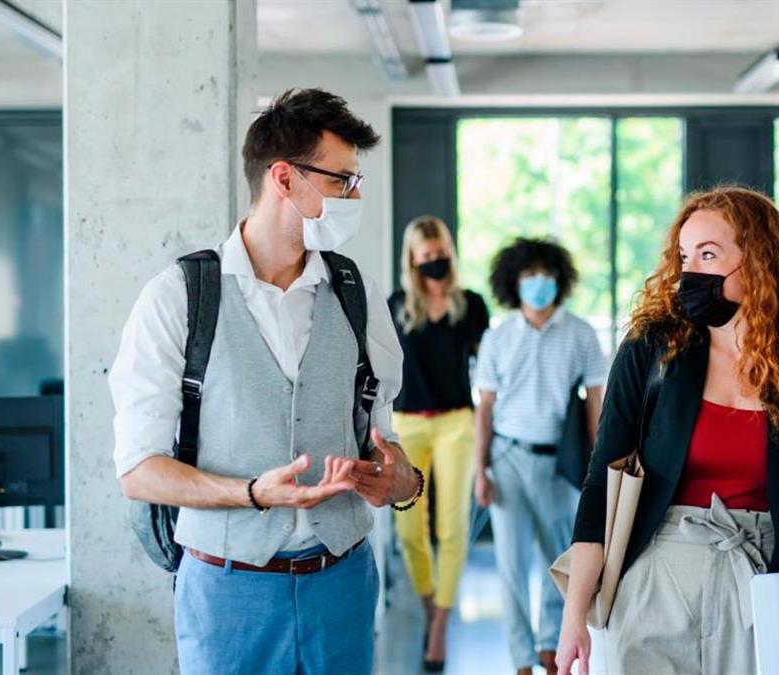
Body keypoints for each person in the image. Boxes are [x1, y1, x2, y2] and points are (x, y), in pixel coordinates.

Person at [111, 88, 422, 675]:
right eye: (342, 182)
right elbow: (138, 471)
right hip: (227, 592)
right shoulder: (178, 298)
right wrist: (252, 493)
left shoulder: (358, 295)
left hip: (343, 585)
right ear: (284, 178)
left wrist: (401, 479)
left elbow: (381, 436)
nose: (353, 196)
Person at [556, 186, 779, 675]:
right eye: (684, 256)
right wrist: (573, 619)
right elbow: (600, 488)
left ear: (757, 263)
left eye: (708, 255)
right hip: (655, 582)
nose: (690, 271)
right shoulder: (651, 350)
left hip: (761, 590)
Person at [474, 237, 608, 675]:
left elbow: (595, 401)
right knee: (511, 566)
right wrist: (481, 470)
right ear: (513, 282)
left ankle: (551, 646)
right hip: (507, 458)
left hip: (560, 465)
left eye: (545, 275)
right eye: (529, 275)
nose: (538, 283)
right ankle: (520, 658)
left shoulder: (581, 334)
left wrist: (598, 468)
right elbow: (486, 407)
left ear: (559, 280)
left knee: (560, 561)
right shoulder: (498, 337)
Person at [387, 215, 490, 672]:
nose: (434, 262)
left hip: (455, 423)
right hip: (406, 425)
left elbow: (488, 369)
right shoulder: (394, 306)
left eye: (440, 253)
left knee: (452, 527)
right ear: (412, 259)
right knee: (408, 531)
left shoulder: (470, 305)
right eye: (425, 256)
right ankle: (431, 604)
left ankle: (441, 623)